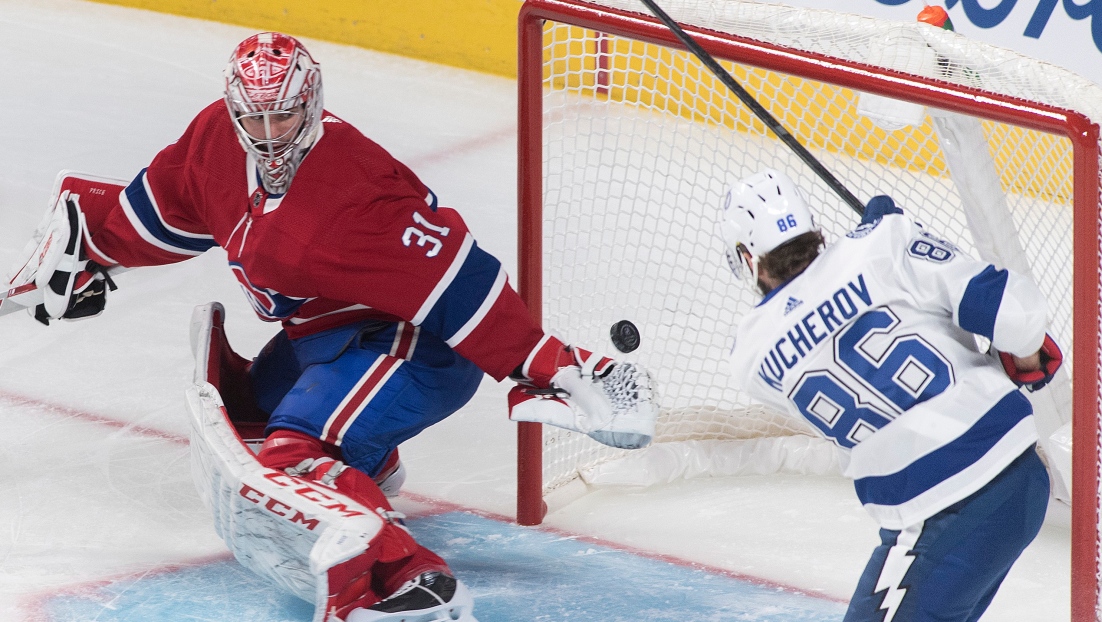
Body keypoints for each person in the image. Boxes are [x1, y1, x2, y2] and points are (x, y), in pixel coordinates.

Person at [6, 32, 656, 622]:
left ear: (311, 104)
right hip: (328, 333)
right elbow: (169, 205)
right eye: (253, 117)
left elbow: (464, 282)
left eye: (283, 115)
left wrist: (556, 366)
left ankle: (399, 583)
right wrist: (90, 246)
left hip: (415, 346)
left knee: (290, 459)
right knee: (258, 410)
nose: (267, 135)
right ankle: (362, 459)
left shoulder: (357, 195)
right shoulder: (215, 137)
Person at [718, 169, 1062, 622]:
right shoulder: (883, 244)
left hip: (943, 511)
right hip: (1013, 480)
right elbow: (1017, 317)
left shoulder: (749, 359)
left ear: (748, 259)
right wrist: (903, 239)